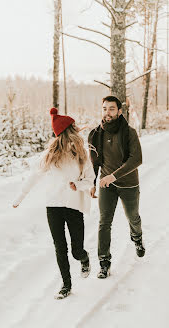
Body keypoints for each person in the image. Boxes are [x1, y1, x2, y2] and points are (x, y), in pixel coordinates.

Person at [13, 107, 95, 299]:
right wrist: (20, 197)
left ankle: (84, 258)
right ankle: (66, 285)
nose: (76, 130)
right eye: (73, 128)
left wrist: (78, 184)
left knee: (76, 250)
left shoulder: (82, 154)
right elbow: (34, 176)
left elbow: (90, 179)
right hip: (54, 206)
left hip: (74, 206)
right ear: (67, 132)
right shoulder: (50, 155)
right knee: (60, 247)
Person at [88, 95, 145, 279]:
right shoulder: (95, 134)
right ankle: (104, 262)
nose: (107, 112)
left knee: (133, 217)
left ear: (119, 111)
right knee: (104, 222)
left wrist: (114, 175)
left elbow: (136, 159)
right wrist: (93, 182)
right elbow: (94, 162)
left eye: (111, 109)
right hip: (107, 184)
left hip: (128, 183)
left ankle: (137, 237)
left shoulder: (129, 133)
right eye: (104, 108)